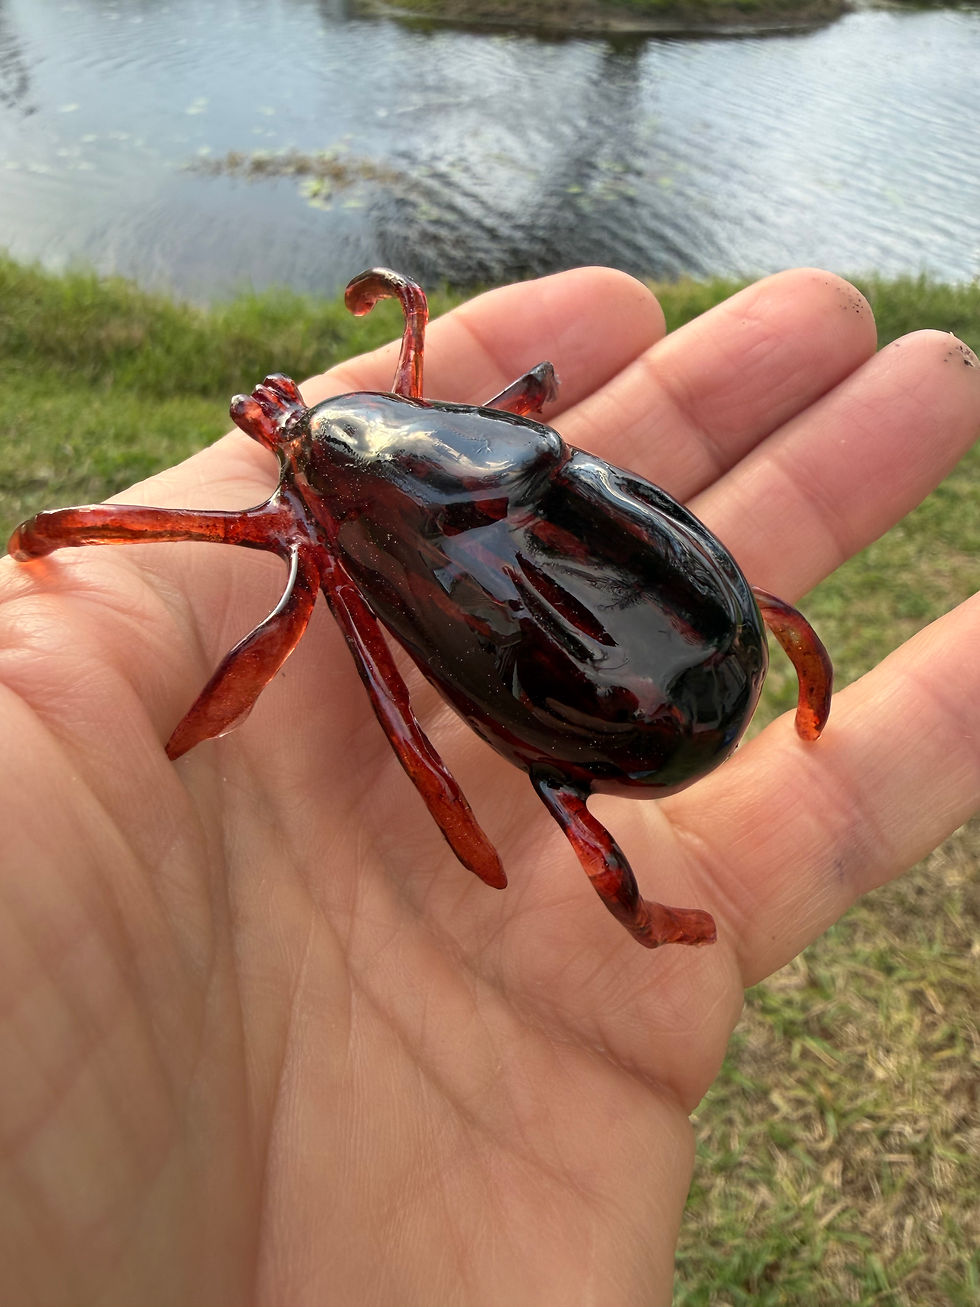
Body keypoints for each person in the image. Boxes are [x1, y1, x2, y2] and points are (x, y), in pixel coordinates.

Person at [0, 267, 977, 1306]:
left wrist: (53, 537)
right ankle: (675, 882)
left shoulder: (378, 499)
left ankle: (655, 914)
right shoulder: (468, 436)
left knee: (483, 725)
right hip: (686, 644)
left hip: (637, 679)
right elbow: (527, 390)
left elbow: (406, 734)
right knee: (736, 613)